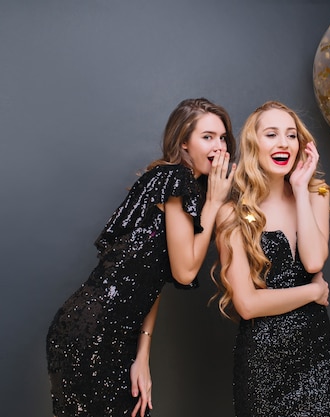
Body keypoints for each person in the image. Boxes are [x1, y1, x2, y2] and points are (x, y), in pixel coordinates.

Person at [46, 97, 237, 417]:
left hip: (112, 333)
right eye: (207, 137)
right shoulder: (174, 180)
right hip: (93, 330)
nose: (218, 146)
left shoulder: (183, 188)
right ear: (184, 144)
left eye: (222, 137)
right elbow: (185, 273)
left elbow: (149, 278)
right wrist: (215, 203)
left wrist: (142, 356)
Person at [212, 101, 330, 416]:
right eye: (271, 134)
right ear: (254, 144)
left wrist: (299, 189)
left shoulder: (317, 195)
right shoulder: (233, 213)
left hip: (317, 359)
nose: (284, 142)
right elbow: (247, 305)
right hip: (262, 362)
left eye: (291, 135)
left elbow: (313, 263)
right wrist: (313, 292)